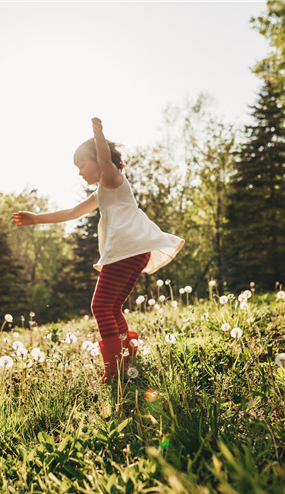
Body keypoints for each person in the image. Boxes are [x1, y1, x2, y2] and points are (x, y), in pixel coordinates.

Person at [12, 117, 184, 383]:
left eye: (82, 164)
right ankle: (127, 357)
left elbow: (105, 161)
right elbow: (71, 212)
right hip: (135, 251)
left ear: (98, 159)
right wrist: (37, 218)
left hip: (127, 250)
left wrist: (98, 135)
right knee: (112, 306)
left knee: (100, 305)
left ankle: (114, 369)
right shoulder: (103, 193)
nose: (80, 171)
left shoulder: (113, 178)